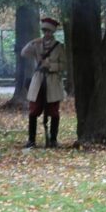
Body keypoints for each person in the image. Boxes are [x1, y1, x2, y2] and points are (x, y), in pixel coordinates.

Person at [21, 17, 66, 149]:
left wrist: (50, 65)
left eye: (49, 31)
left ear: (53, 32)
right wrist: (32, 42)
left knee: (54, 112)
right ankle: (31, 140)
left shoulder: (59, 47)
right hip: (38, 80)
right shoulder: (37, 44)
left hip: (53, 81)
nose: (46, 33)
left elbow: (64, 65)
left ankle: (53, 140)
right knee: (34, 110)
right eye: (45, 31)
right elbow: (24, 53)